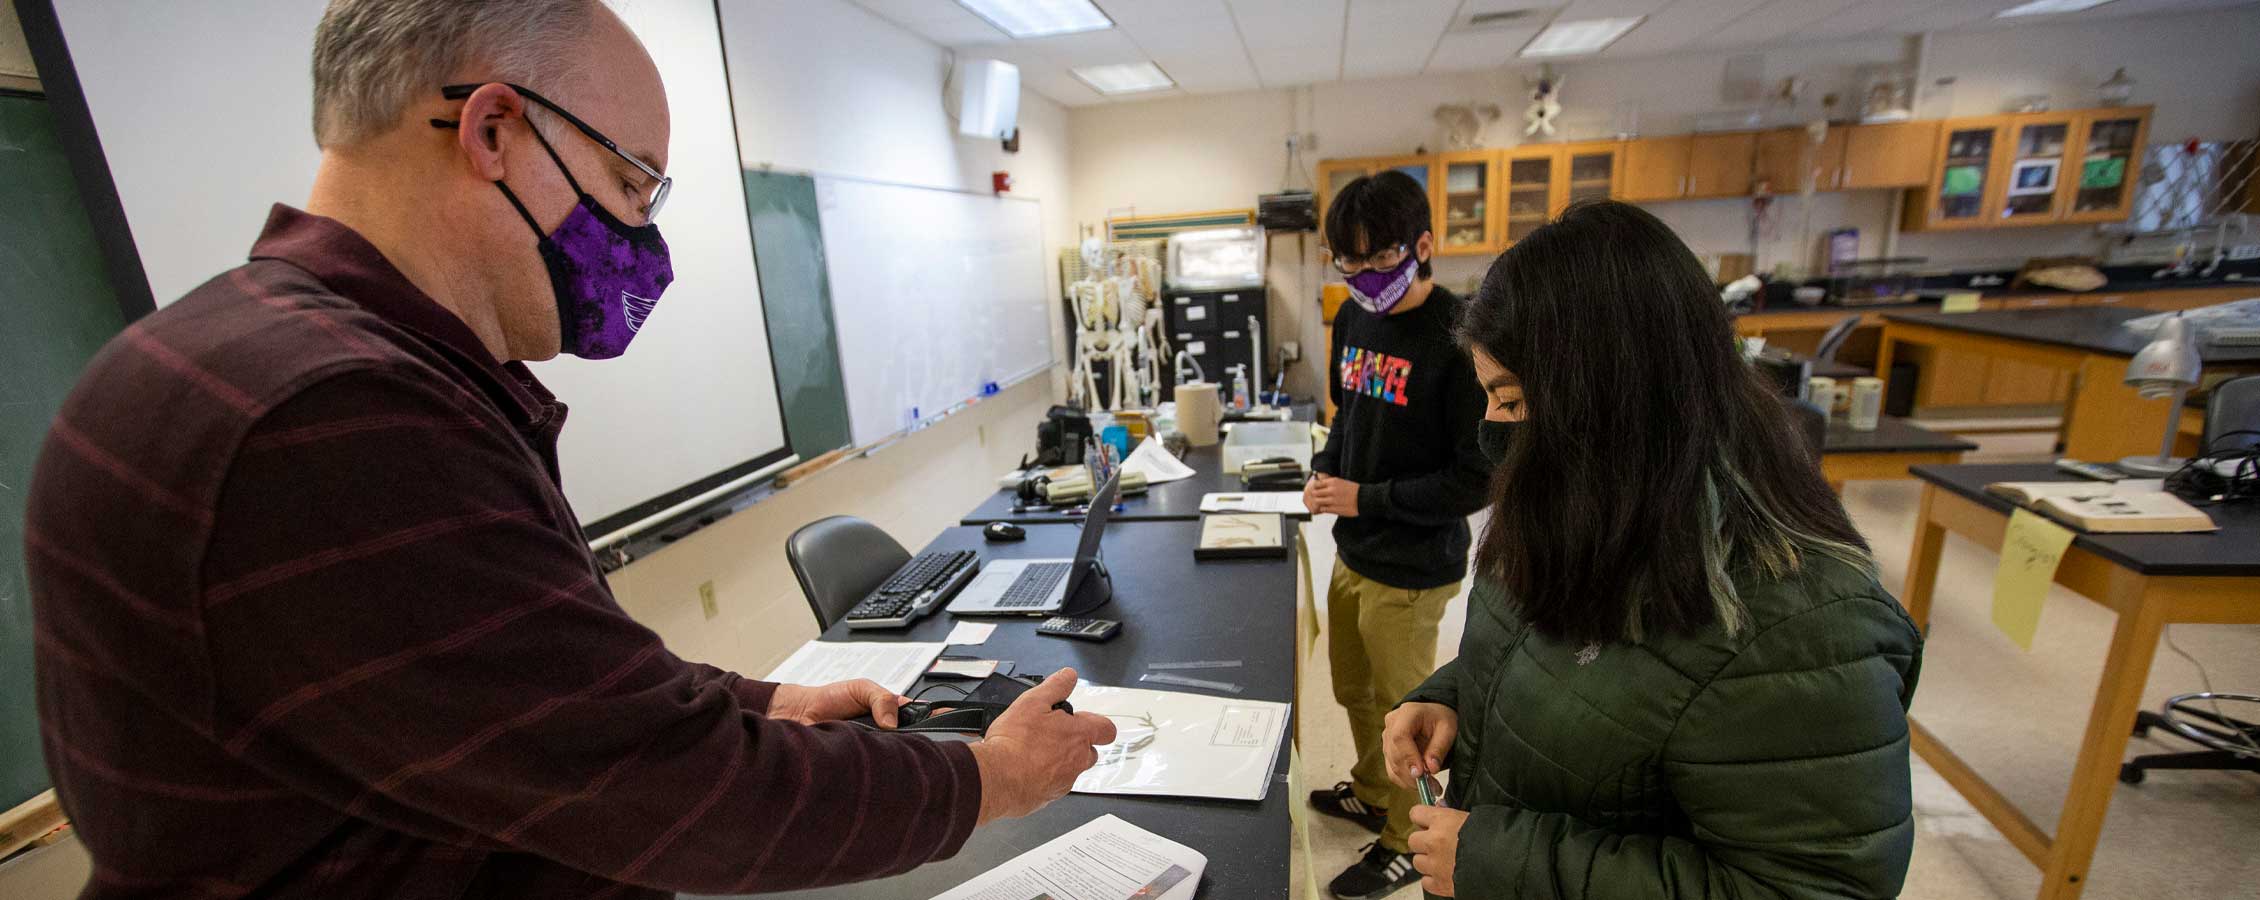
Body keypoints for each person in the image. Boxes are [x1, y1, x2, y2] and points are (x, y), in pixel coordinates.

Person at [25, 2, 1113, 897]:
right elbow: (670, 792)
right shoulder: (332, 418)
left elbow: (527, 693)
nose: (642, 240)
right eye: (632, 184)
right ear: (492, 131)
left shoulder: (240, 354)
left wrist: (760, 701)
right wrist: (990, 779)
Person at [1385, 200, 1923, 898]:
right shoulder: (1585, 502)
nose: (1494, 430)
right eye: (1489, 397)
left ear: (1611, 403)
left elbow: (1811, 889)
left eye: (1513, 403)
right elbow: (1545, 656)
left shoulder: (1798, 631)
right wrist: (1452, 697)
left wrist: (1505, 866)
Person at [1303, 170, 1491, 900]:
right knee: (1352, 690)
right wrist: (1326, 470)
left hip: (1414, 567)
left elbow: (1475, 479)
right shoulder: (1352, 318)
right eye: (1347, 264)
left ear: (1422, 246)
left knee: (1401, 712)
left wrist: (1365, 496)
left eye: (1379, 262)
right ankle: (1373, 793)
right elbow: (1349, 413)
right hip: (1356, 550)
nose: (1364, 279)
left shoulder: (1459, 337)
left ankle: (1404, 840)